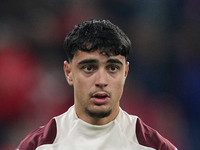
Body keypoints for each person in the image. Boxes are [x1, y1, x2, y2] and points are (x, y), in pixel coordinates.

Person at [16, 19, 177, 150]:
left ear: (125, 73)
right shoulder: (37, 146)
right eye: (89, 68)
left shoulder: (155, 147)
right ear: (69, 72)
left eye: (113, 68)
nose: (101, 81)